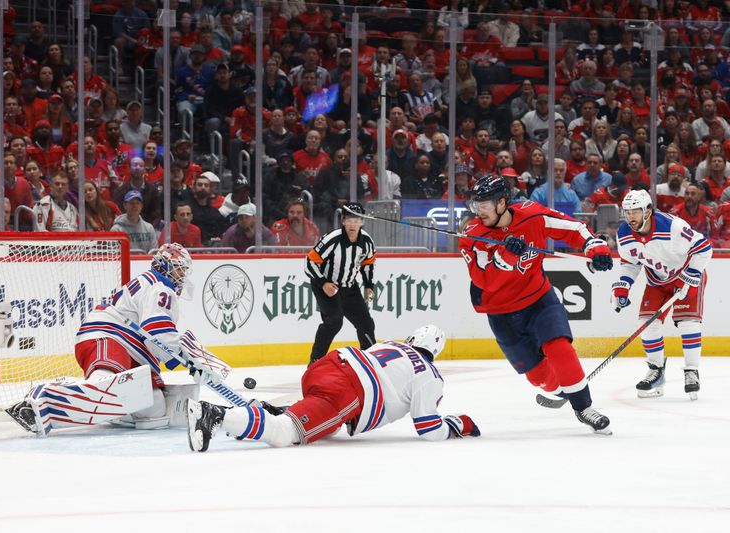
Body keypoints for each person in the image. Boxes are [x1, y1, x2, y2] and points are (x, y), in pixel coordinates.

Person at [459, 175, 613, 433]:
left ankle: (584, 407)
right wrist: (506, 255)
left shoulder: (531, 215)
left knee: (559, 347)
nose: (479, 211)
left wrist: (593, 246)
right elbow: (486, 282)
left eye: (485, 204)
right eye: (477, 205)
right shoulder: (473, 236)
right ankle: (563, 389)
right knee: (539, 377)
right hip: (501, 313)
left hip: (538, 298)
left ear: (502, 203)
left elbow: (572, 228)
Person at [6, 243, 199, 436]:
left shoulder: (153, 284)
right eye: (180, 268)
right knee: (104, 385)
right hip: (110, 337)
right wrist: (185, 356)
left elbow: (153, 334)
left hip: (131, 350)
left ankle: (113, 412)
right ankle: (42, 400)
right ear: (166, 265)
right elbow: (156, 331)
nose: (182, 275)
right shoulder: (161, 288)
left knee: (154, 409)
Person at [188, 324, 480, 452]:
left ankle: (263, 414)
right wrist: (458, 424)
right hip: (348, 391)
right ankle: (216, 416)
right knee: (285, 434)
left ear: (412, 340)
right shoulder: (430, 375)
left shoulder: (393, 344)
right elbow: (429, 428)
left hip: (330, 364)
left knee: (329, 427)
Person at [612, 190, 713, 400]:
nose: (631, 216)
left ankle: (692, 371)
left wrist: (690, 275)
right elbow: (630, 262)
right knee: (647, 324)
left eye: (636, 211)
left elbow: (703, 248)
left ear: (648, 211)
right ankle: (656, 371)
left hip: (686, 275)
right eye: (627, 212)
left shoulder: (672, 227)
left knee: (688, 323)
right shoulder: (623, 233)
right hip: (657, 281)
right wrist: (623, 286)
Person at [305, 203, 376, 365]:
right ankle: (316, 361)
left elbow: (368, 263)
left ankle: (370, 361)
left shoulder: (367, 242)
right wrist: (323, 283)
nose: (352, 224)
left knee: (366, 323)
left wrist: (368, 285)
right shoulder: (332, 239)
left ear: (362, 222)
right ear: (343, 221)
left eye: (356, 220)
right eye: (349, 220)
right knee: (334, 321)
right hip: (326, 285)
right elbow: (310, 262)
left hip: (349, 287)